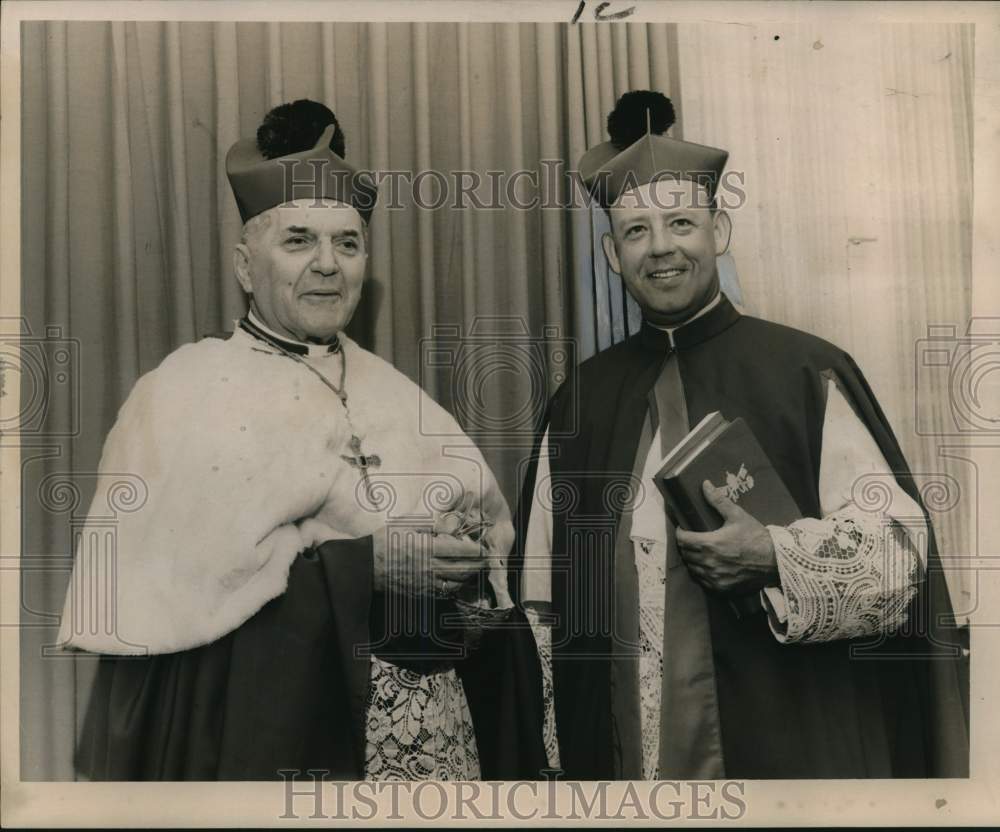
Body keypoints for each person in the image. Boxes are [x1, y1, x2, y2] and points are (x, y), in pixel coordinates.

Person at [57, 99, 546, 781]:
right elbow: (180, 608)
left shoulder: (396, 392)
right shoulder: (183, 392)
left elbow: (489, 557)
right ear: (245, 264)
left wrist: (462, 552)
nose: (327, 265)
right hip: (286, 739)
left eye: (347, 243)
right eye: (298, 242)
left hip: (436, 744)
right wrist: (365, 568)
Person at [514, 90, 969, 780]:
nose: (660, 248)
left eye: (681, 223)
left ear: (718, 233)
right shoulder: (582, 398)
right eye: (636, 231)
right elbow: (541, 607)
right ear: (612, 254)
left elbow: (900, 554)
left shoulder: (804, 371)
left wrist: (777, 556)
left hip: (782, 741)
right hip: (619, 759)